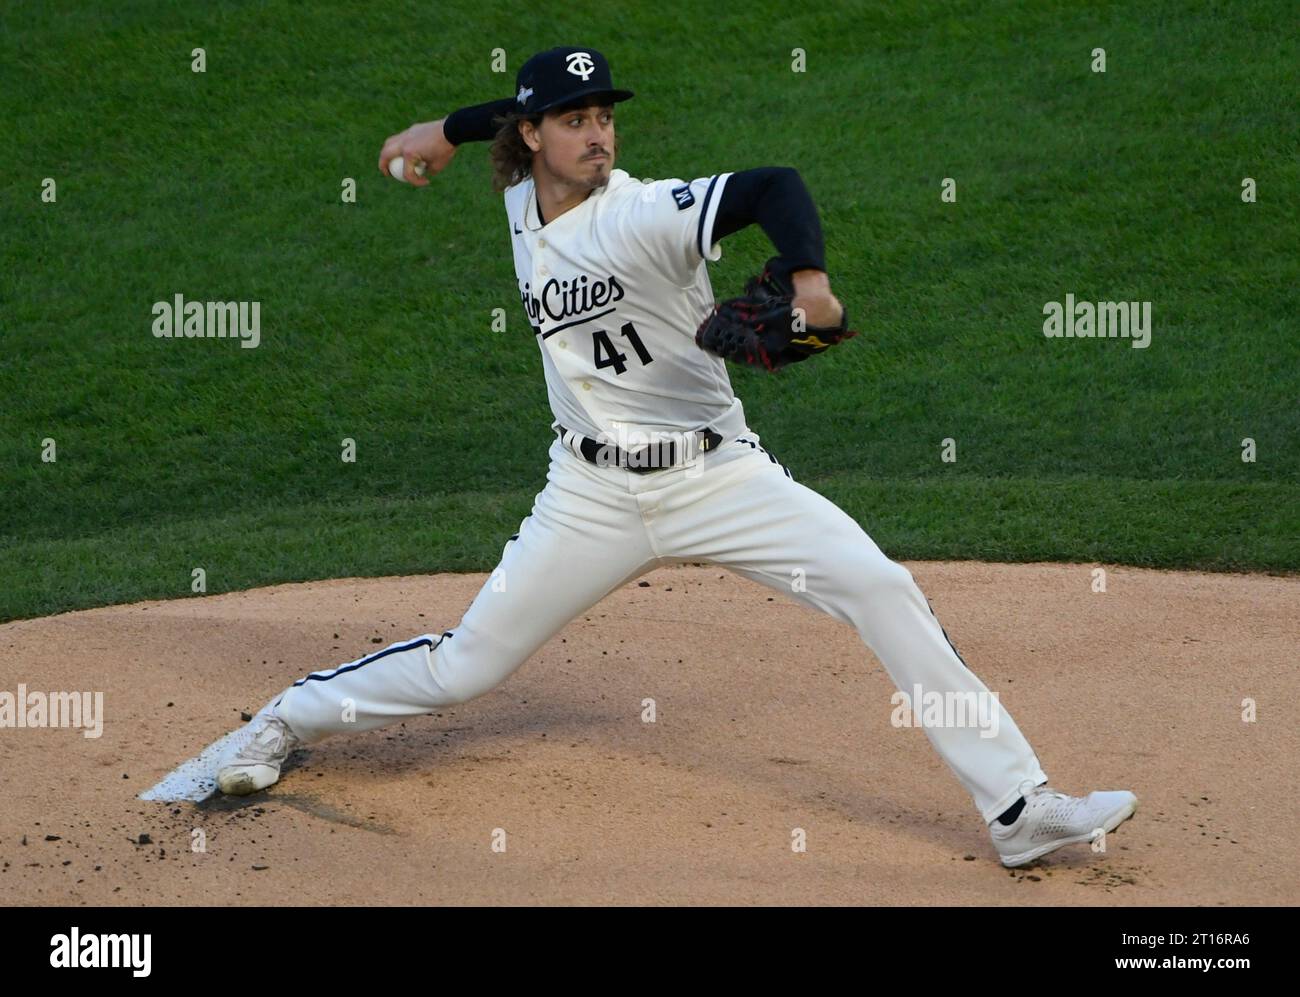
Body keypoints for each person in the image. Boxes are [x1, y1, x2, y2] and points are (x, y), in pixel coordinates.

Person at [217, 46, 1137, 868]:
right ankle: (284, 717)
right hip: (587, 494)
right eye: (576, 120)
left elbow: (775, 185)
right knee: (466, 667)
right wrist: (443, 131)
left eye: (606, 116)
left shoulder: (643, 213)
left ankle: (1019, 806)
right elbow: (501, 115)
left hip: (716, 476)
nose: (597, 134)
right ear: (532, 136)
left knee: (878, 584)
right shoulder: (519, 204)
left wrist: (810, 283)